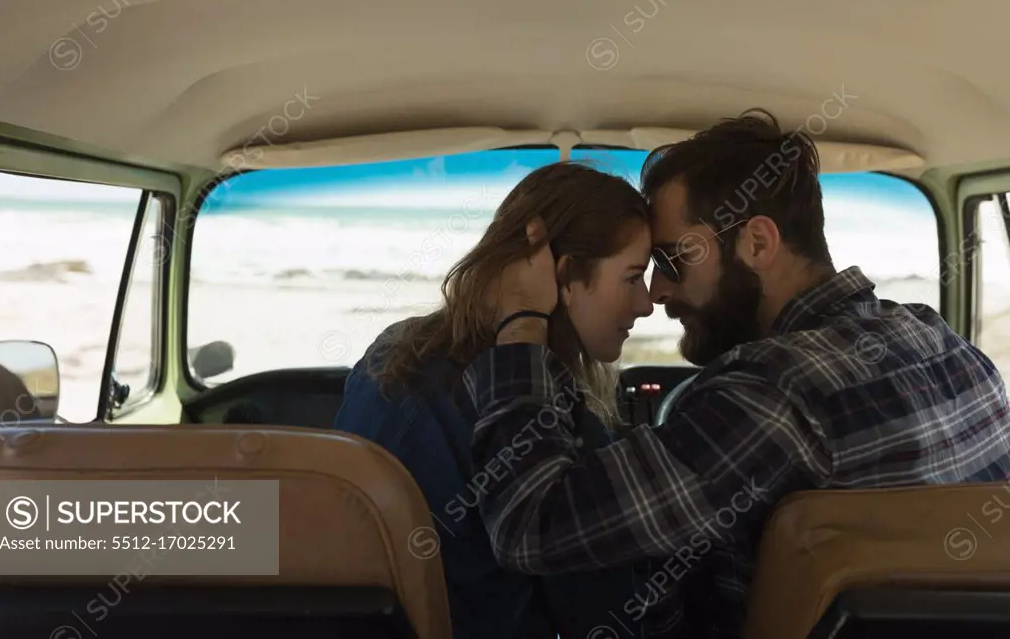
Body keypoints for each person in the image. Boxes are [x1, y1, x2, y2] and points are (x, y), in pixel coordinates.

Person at [462, 109, 1010, 639]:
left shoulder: (771, 395)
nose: (658, 292)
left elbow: (530, 526)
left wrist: (522, 328)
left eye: (674, 261)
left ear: (757, 243)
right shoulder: (946, 345)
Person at [334, 161, 656, 639]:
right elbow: (603, 614)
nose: (646, 303)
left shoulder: (390, 354)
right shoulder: (549, 415)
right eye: (633, 277)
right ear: (563, 277)